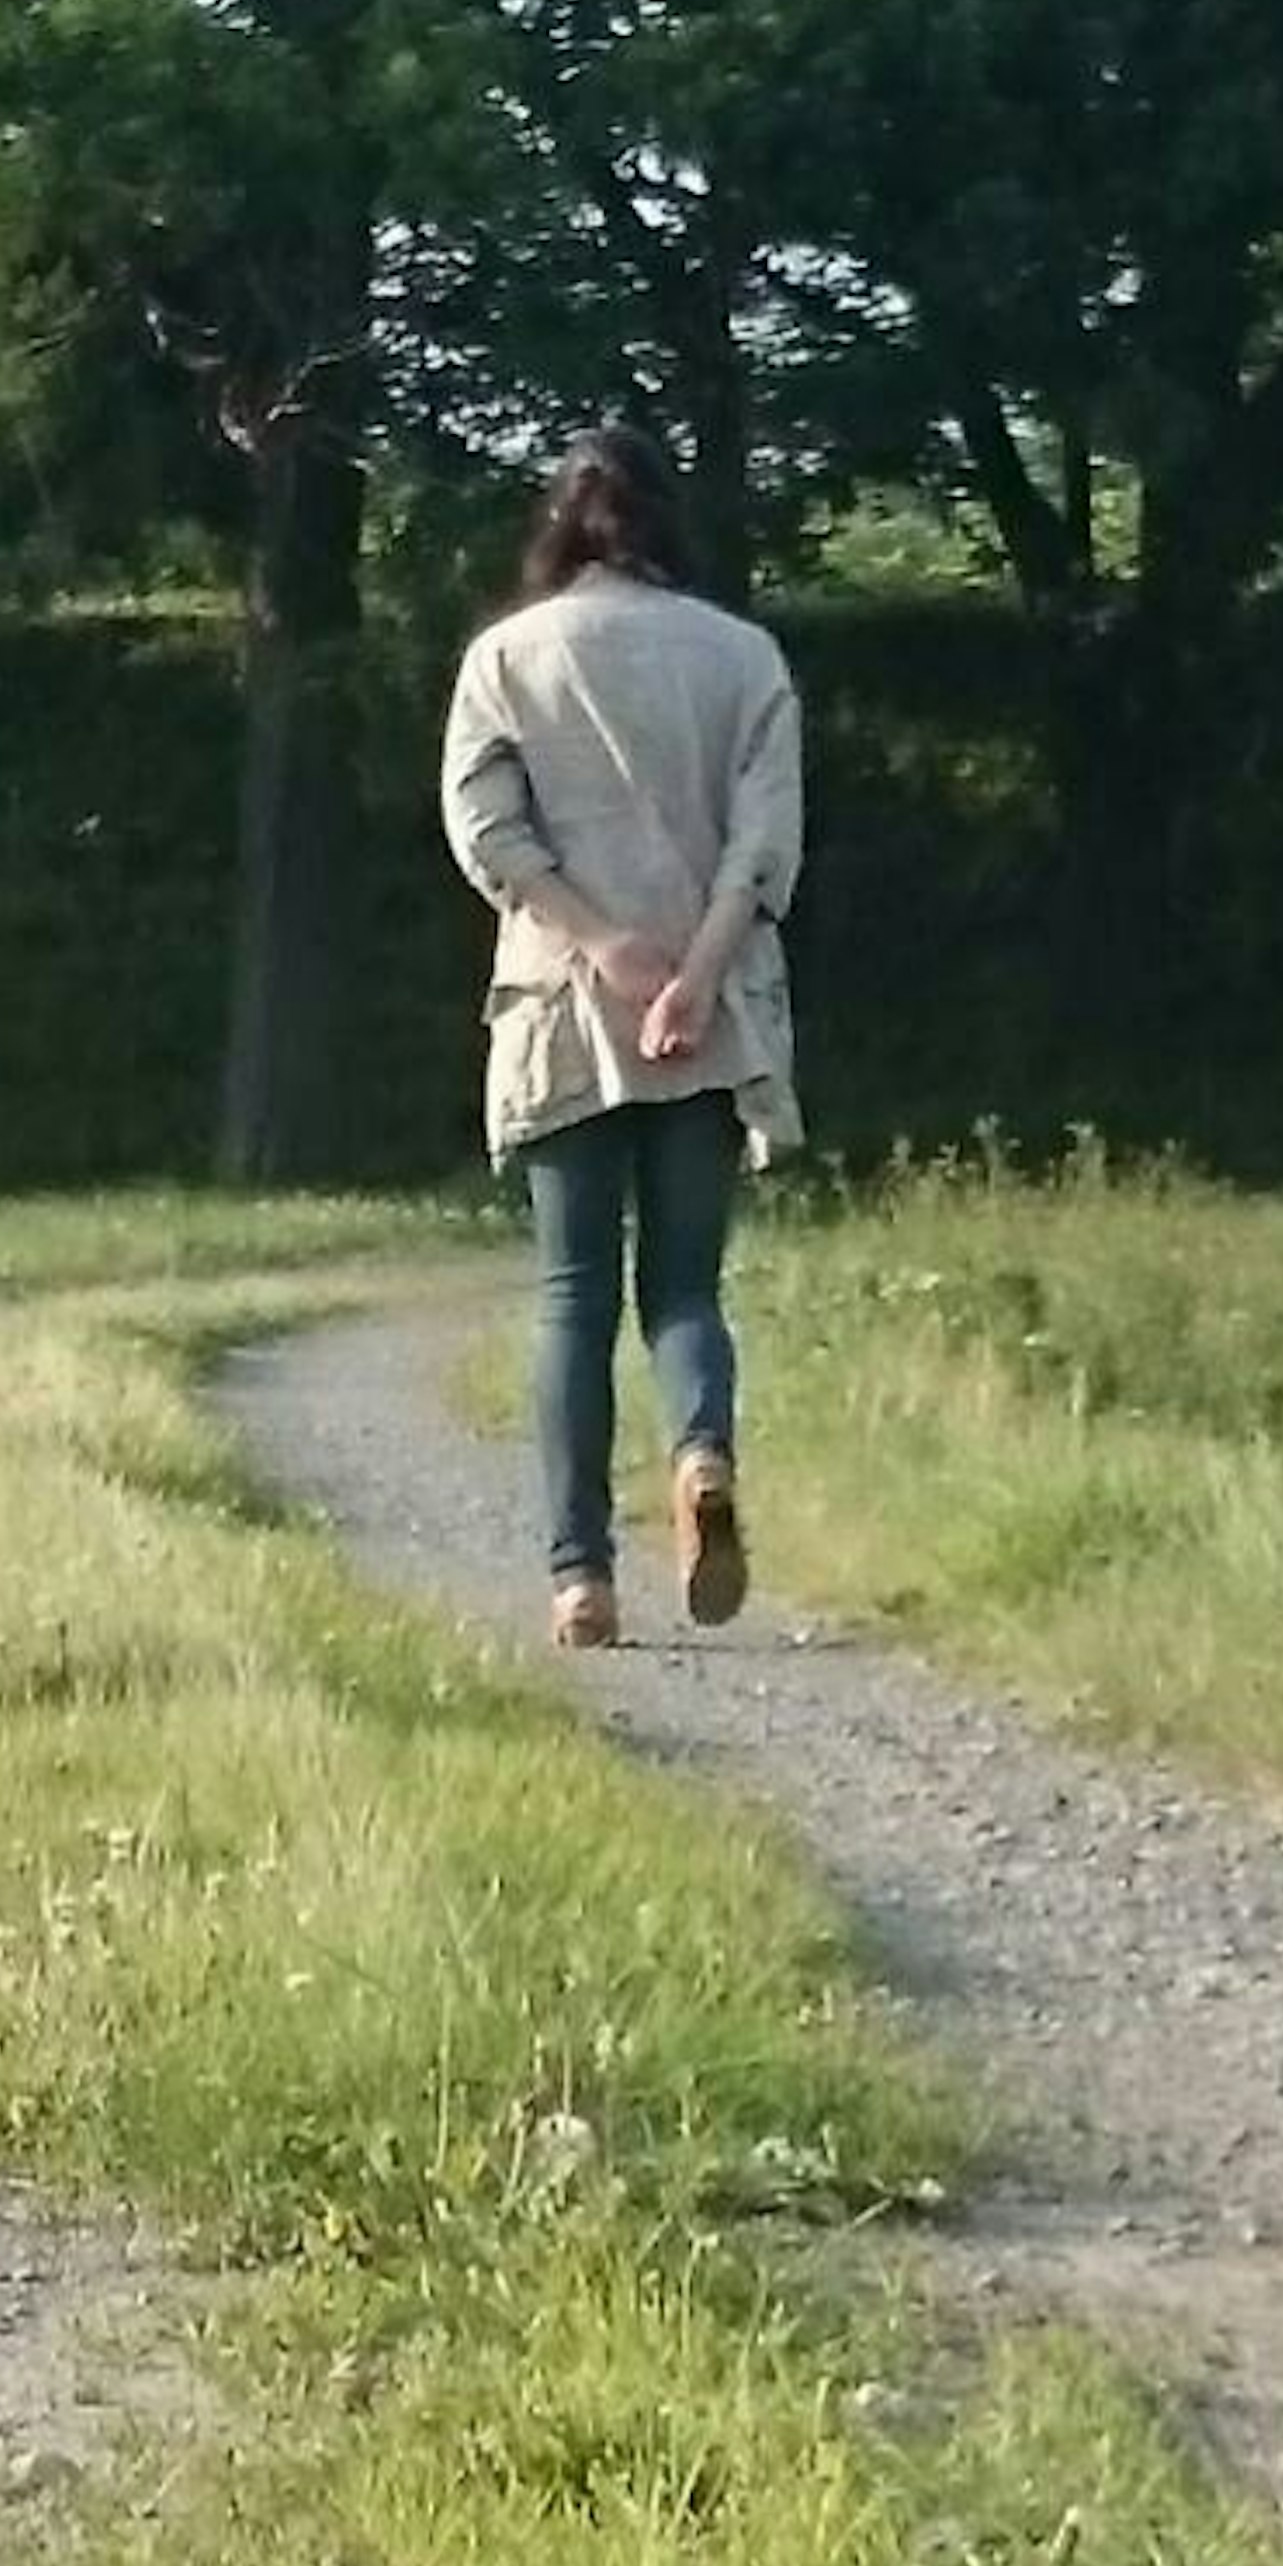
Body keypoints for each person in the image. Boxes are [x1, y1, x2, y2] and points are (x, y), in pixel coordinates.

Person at [438, 421, 805, 1652]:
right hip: (705, 1015)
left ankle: (581, 1579)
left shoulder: (505, 659)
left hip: (561, 1009)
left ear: (559, 521)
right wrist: (693, 975)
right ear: (667, 516)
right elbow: (763, 849)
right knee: (688, 1288)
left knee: (571, 1298)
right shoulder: (744, 658)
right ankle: (700, 1454)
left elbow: (488, 834)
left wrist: (600, 944)